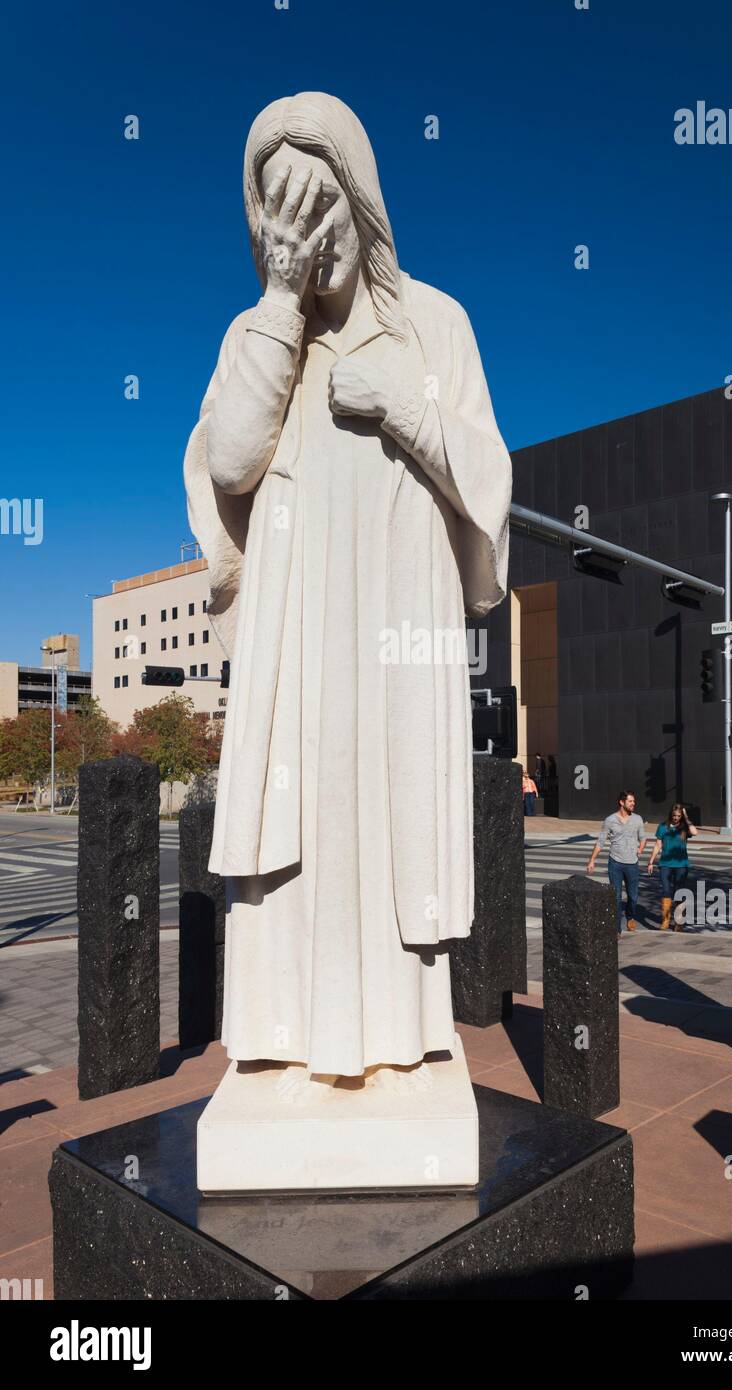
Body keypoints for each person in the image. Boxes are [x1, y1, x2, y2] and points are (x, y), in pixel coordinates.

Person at [184, 93, 512, 1081]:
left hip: (397, 637)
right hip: (297, 643)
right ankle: (282, 1037)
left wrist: (402, 407)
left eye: (314, 203)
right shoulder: (256, 334)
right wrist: (281, 309)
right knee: (300, 821)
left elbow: (489, 476)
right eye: (274, 210)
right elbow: (231, 462)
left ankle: (401, 1035)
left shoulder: (432, 326)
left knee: (393, 812)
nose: (297, 233)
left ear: (357, 202)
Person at [586, 790, 646, 932]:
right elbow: (601, 842)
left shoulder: (637, 819)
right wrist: (592, 860)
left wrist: (641, 849)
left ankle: (630, 916)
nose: (633, 804)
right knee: (616, 897)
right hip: (615, 863)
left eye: (634, 801)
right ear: (622, 802)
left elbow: (643, 838)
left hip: (632, 863)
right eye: (630, 801)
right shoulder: (610, 820)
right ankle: (616, 929)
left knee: (633, 897)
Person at [647, 802, 696, 930]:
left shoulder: (684, 827)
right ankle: (665, 920)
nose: (676, 818)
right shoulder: (663, 827)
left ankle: (679, 922)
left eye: (679, 816)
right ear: (671, 814)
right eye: (674, 815)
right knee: (666, 891)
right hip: (665, 864)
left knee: (679, 892)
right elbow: (658, 845)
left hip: (681, 864)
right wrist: (651, 861)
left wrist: (686, 817)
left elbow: (694, 832)